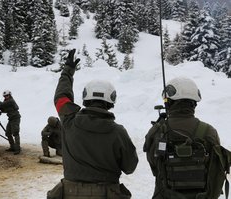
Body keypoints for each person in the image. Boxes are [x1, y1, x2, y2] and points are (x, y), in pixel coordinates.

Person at [47, 49, 138, 199]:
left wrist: (68, 72)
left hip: (70, 194)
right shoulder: (118, 132)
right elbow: (130, 167)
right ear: (111, 101)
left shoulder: (69, 120)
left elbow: (61, 96)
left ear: (85, 98)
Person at [143, 77, 222, 199]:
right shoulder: (209, 131)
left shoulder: (157, 130)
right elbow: (216, 169)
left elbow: (154, 166)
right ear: (194, 103)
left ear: (168, 102)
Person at [0, 90, 21, 155]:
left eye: (7, 95)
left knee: (15, 133)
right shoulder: (7, 101)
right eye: (5, 96)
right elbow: (3, 108)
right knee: (8, 133)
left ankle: (18, 149)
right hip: (11, 119)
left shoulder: (11, 100)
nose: (6, 97)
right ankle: (13, 147)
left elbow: (2, 104)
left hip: (15, 118)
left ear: (10, 95)